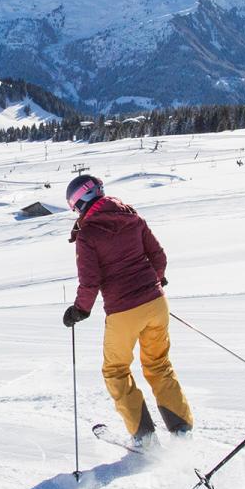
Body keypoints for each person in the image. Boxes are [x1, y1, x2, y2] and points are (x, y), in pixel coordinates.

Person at [61, 174, 193, 442]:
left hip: (123, 311)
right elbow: (158, 255)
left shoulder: (88, 234)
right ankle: (181, 429)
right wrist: (155, 279)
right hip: (156, 304)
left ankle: (144, 437)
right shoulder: (132, 216)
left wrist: (80, 310)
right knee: (159, 364)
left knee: (116, 370)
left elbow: (90, 281)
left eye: (74, 208)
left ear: (80, 202)